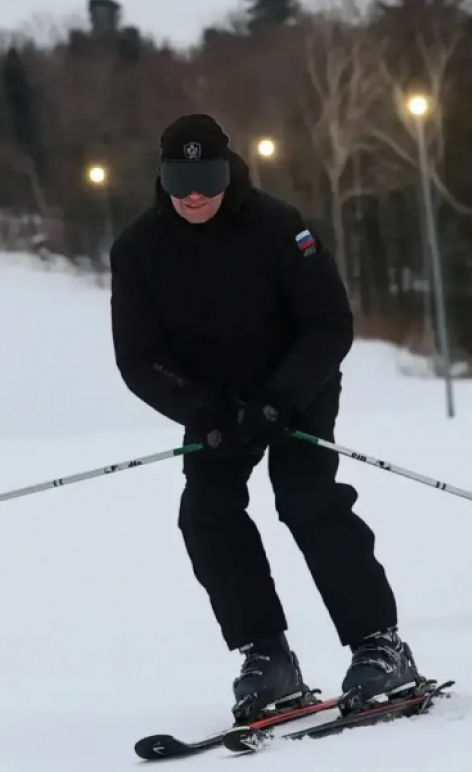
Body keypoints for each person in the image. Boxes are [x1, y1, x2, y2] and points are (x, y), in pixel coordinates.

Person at [109, 113, 422, 723]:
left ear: (229, 170)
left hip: (294, 388)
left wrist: (280, 398)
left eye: (206, 177)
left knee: (306, 497)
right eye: (180, 180)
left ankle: (380, 645)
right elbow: (138, 359)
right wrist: (204, 410)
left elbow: (328, 324)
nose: (194, 194)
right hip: (214, 403)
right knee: (206, 511)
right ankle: (267, 657)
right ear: (162, 178)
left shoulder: (279, 228)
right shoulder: (138, 250)